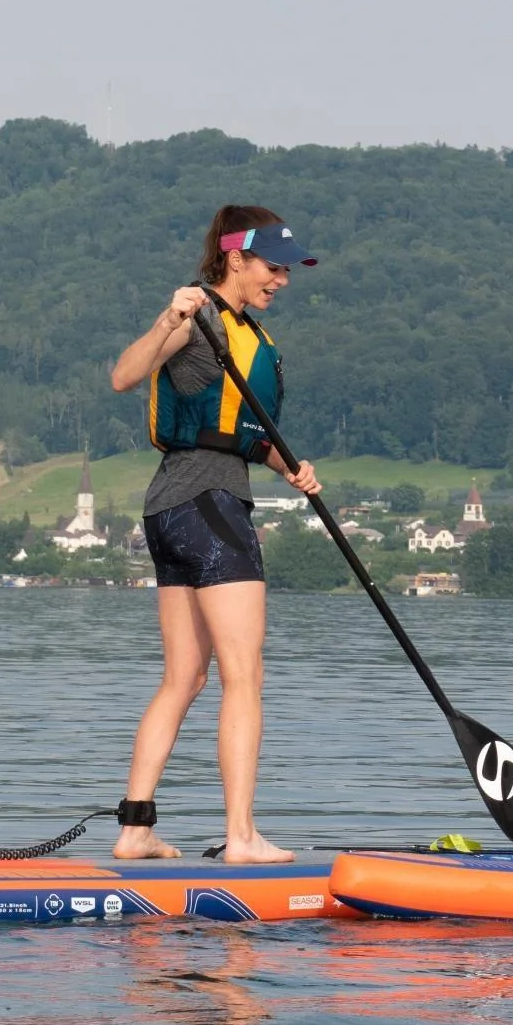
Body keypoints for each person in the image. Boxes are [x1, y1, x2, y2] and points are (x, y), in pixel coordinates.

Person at [105, 206, 324, 862]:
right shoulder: (195, 321)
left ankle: (136, 829)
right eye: (275, 267)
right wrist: (165, 321)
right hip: (208, 507)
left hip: (171, 508)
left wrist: (292, 467)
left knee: (185, 678)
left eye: (287, 270)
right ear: (236, 257)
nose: (282, 280)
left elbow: (241, 435)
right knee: (244, 675)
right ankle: (241, 837)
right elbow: (124, 375)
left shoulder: (249, 336)